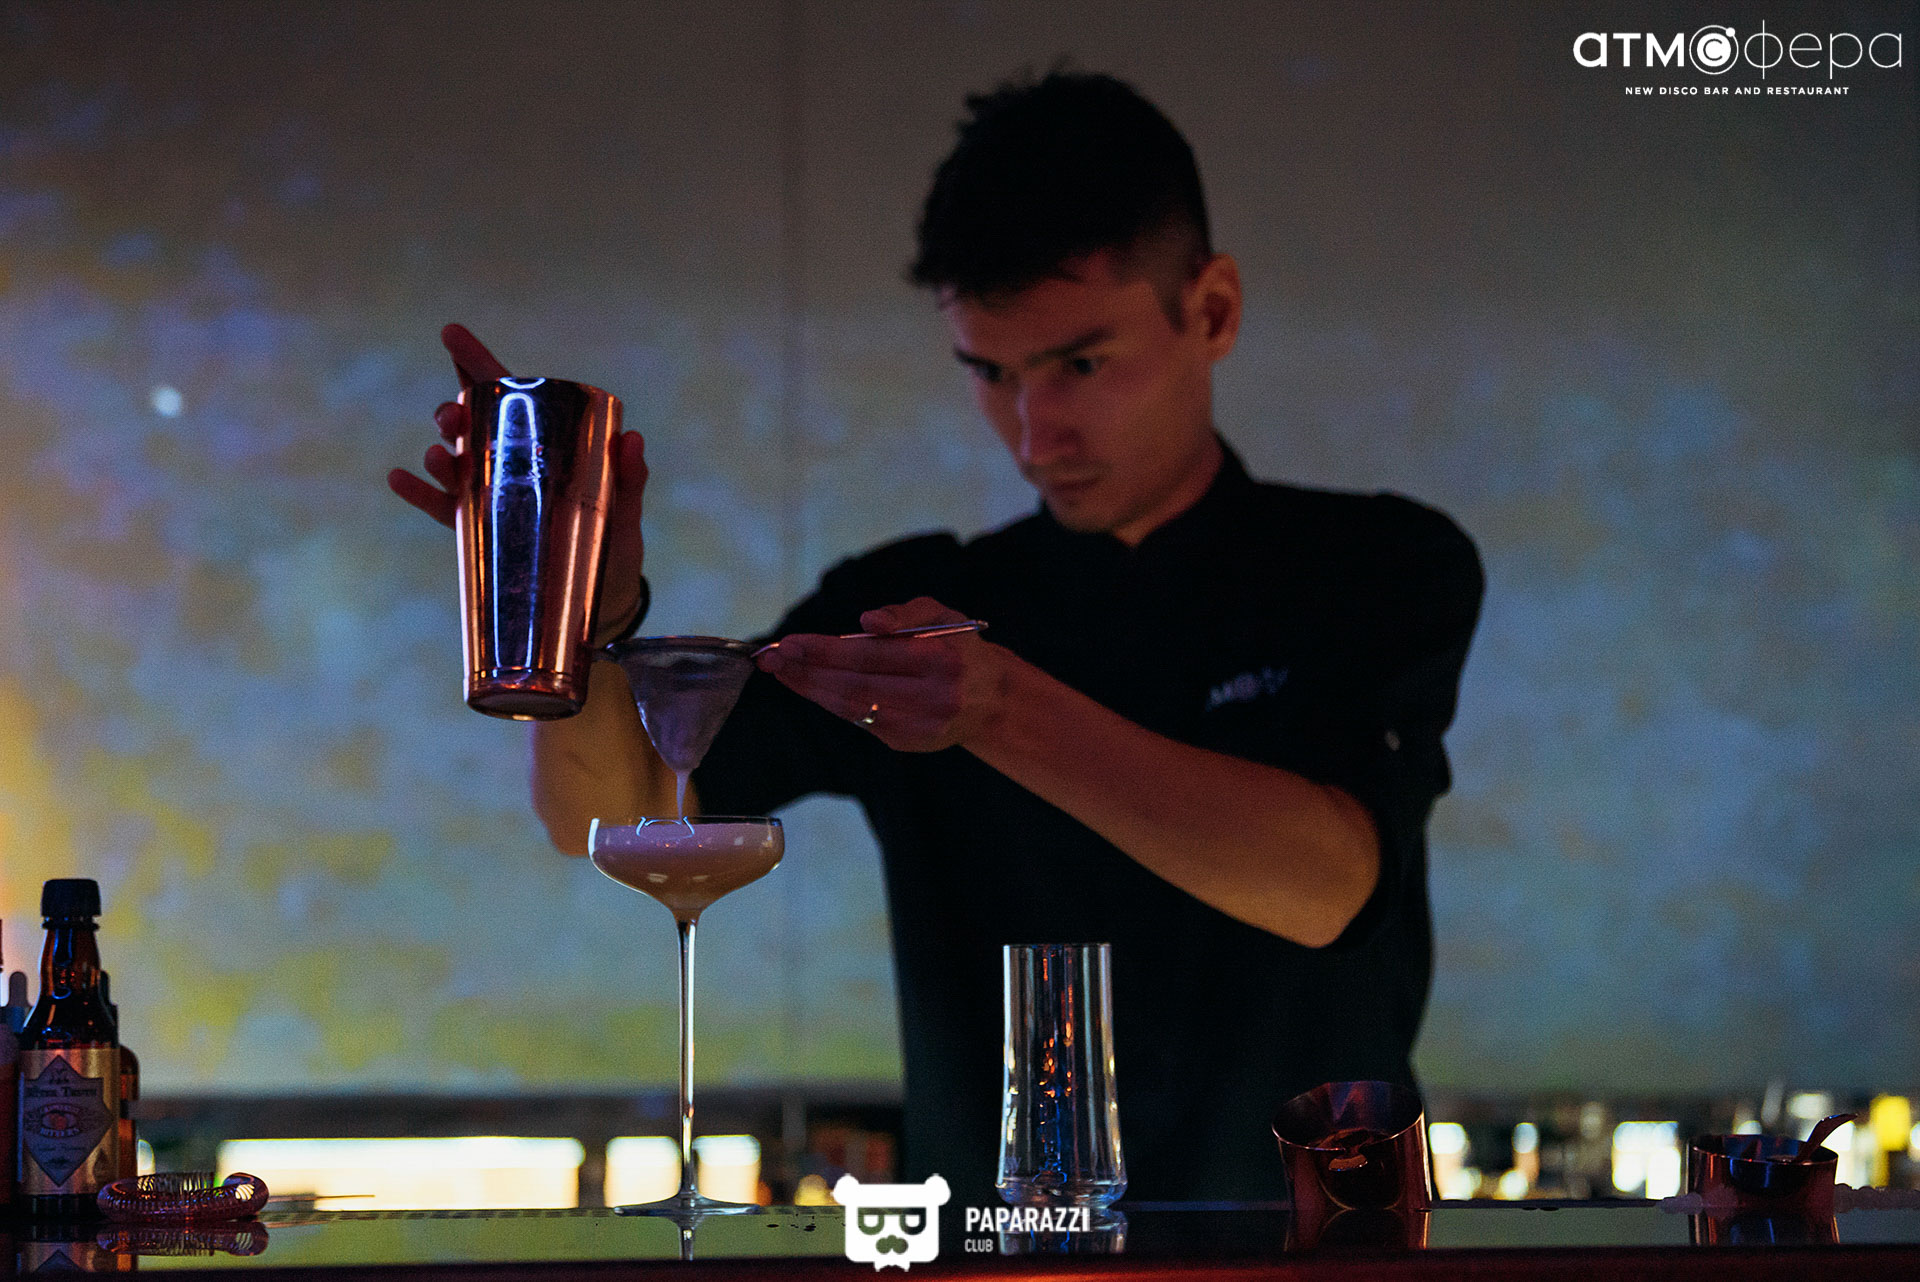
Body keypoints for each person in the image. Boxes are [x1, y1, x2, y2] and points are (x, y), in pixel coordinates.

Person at [391, 71, 1482, 1204]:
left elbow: (1328, 886)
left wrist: (998, 710)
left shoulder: (1376, 565)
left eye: (1081, 364)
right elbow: (608, 816)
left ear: (1211, 311)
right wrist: (576, 610)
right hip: (989, 1259)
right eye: (991, 374)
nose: (1036, 431)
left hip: (1323, 1250)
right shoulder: (911, 604)